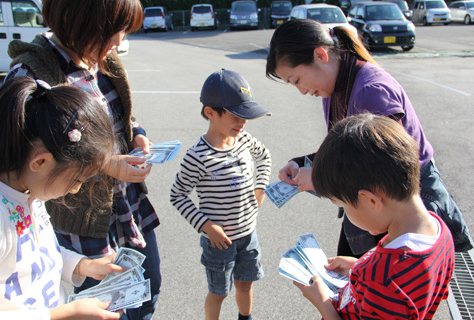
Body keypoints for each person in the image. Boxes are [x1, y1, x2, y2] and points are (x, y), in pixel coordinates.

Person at [6, 1, 161, 319]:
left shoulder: (103, 59)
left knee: (147, 291)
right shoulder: (30, 73)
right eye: (114, 31)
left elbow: (119, 117)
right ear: (84, 22)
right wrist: (105, 163)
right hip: (81, 222)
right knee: (102, 307)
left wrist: (138, 135)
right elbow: (21, 161)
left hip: (127, 208)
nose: (119, 41)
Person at [266, 18, 472, 257]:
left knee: (388, 286)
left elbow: (386, 167)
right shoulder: (334, 87)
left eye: (297, 80)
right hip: (370, 206)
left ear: (321, 56)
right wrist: (303, 163)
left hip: (404, 207)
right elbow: (347, 150)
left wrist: (320, 177)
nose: (301, 91)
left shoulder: (371, 91)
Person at [294, 113, 455, 319]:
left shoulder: (384, 278)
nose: (348, 215)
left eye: (344, 205)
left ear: (371, 201)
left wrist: (322, 301)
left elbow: (388, 285)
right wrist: (358, 268)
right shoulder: (439, 232)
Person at [0, 76, 125, 319]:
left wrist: (83, 265)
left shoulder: (30, 193)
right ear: (41, 162)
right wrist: (64, 313)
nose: (76, 190)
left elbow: (39, 253)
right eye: (77, 180)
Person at [170, 69, 272, 320]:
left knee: (245, 283)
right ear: (210, 113)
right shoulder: (198, 156)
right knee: (219, 292)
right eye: (236, 116)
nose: (243, 122)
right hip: (219, 242)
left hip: (249, 234)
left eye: (246, 116)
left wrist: (260, 187)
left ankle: (245, 317)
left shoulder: (245, 140)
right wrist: (206, 226)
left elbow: (265, 157)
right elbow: (178, 194)